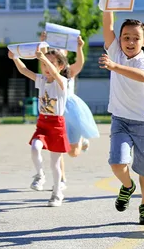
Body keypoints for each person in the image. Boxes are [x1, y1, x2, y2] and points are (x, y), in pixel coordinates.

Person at [98, 0, 144, 225]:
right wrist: (107, 2)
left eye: (135, 38)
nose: (130, 42)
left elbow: (143, 78)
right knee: (117, 163)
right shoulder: (115, 51)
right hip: (121, 119)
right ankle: (127, 186)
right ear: (119, 40)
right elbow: (108, 24)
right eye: (126, 37)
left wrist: (114, 66)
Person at [9, 48, 71, 207]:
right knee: (35, 147)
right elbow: (24, 70)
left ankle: (57, 193)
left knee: (55, 163)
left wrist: (43, 57)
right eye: (43, 63)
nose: (45, 66)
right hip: (43, 123)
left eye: (50, 62)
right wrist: (15, 57)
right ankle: (40, 175)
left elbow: (56, 75)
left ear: (60, 66)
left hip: (57, 124)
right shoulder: (42, 80)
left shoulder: (62, 82)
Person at [40, 32, 100, 190]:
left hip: (71, 111)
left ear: (65, 56)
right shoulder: (46, 73)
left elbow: (79, 64)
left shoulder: (68, 72)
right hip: (54, 112)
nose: (57, 52)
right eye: (53, 50)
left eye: (61, 50)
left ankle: (82, 141)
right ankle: (61, 179)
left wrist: (80, 48)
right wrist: (43, 43)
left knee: (73, 153)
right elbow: (43, 58)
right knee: (56, 147)